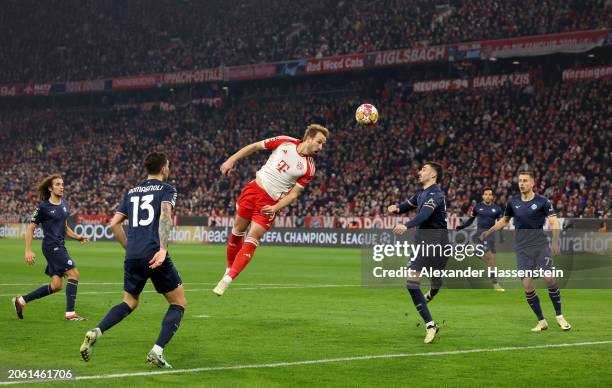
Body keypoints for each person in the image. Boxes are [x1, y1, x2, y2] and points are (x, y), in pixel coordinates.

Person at [80, 152, 186, 368]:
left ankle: (97, 331)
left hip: (133, 254)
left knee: (129, 301)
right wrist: (163, 248)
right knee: (178, 303)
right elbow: (165, 216)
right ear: (164, 169)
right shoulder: (167, 189)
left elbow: (114, 224)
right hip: (155, 252)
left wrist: (129, 247)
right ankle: (157, 351)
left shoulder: (132, 192)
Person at [213, 124, 329, 296]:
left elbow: (294, 195)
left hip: (270, 202)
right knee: (237, 230)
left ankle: (227, 279)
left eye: (323, 144)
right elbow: (254, 147)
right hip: (253, 190)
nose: (321, 147)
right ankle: (229, 268)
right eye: (319, 142)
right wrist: (231, 160)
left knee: (253, 238)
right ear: (309, 138)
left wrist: (275, 207)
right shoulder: (285, 142)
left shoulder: (309, 168)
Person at [481, 171, 571, 332]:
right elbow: (504, 220)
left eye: (525, 181)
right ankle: (541, 321)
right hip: (522, 249)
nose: (521, 183)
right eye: (520, 181)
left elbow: (554, 222)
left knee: (549, 279)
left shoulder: (543, 201)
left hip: (540, 246)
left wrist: (556, 242)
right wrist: (489, 231)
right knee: (527, 285)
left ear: (532, 183)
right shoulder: (512, 202)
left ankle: (559, 316)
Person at [13, 175, 89, 321]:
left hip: (60, 246)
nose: (62, 187)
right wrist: (28, 250)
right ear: (50, 188)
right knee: (74, 274)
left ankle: (21, 301)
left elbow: (65, 228)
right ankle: (70, 314)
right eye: (58, 184)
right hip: (51, 246)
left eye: (62, 184)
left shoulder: (65, 205)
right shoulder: (43, 207)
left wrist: (78, 237)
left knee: (57, 285)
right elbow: (30, 229)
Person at [388, 162, 448, 343]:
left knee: (436, 280)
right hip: (422, 242)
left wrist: (406, 225)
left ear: (433, 175)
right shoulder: (421, 193)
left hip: (439, 242)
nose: (419, 172)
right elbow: (409, 204)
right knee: (412, 282)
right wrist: (397, 207)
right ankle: (430, 325)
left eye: (424, 169)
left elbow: (425, 215)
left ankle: (433, 290)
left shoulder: (436, 194)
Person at [456, 187, 505, 291]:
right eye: (486, 194)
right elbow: (470, 220)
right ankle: (495, 283)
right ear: (483, 196)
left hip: (491, 236)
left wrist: (501, 235)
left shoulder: (497, 209)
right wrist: (462, 227)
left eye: (490, 194)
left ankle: (475, 252)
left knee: (492, 261)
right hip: (480, 235)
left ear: (492, 196)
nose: (488, 196)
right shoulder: (477, 207)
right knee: (490, 258)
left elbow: (500, 223)